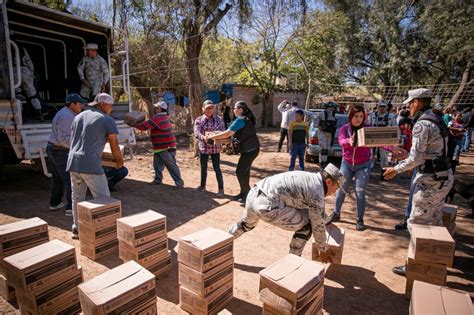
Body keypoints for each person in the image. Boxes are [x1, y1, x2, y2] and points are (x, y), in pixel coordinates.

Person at [383, 88, 454, 276]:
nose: (409, 107)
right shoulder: (437, 118)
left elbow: (416, 159)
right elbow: (428, 153)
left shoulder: (422, 124)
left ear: (417, 102)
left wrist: (395, 169)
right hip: (443, 176)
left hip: (430, 181)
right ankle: (437, 263)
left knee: (416, 222)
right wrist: (408, 156)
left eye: (410, 103)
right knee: (435, 220)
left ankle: (414, 266)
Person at [227, 164, 344, 258]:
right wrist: (322, 247)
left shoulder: (311, 179)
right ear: (328, 182)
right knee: (307, 226)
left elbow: (319, 211)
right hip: (268, 206)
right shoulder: (317, 192)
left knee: (245, 225)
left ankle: (219, 244)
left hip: (254, 194)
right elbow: (317, 222)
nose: (335, 192)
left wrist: (327, 221)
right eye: (336, 188)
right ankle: (293, 262)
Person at [66, 93, 124, 239]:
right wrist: (119, 161)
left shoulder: (79, 116)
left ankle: (77, 229)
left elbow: (75, 139)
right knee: (104, 199)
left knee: (77, 198)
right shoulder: (106, 120)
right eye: (110, 106)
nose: (111, 109)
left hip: (73, 162)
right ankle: (106, 232)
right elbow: (114, 144)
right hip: (91, 164)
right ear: (103, 105)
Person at [327, 105, 372, 231]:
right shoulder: (344, 129)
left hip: (363, 165)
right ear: (350, 116)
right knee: (340, 189)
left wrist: (392, 148)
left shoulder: (368, 129)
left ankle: (360, 219)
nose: (358, 119)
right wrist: (349, 141)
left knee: (360, 192)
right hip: (346, 164)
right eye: (356, 116)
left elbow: (378, 142)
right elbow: (341, 141)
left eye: (361, 116)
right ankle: (336, 213)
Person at [208, 101, 260, 204]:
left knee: (240, 171)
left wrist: (211, 137)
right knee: (244, 171)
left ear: (240, 109)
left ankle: (247, 194)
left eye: (235, 108)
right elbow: (232, 137)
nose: (233, 110)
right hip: (252, 149)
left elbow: (228, 133)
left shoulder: (240, 120)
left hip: (250, 150)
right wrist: (217, 140)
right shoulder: (245, 118)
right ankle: (244, 193)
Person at [47, 93, 87, 215]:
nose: (82, 106)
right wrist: (78, 147)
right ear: (72, 104)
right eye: (80, 103)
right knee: (70, 179)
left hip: (54, 149)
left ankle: (55, 203)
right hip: (60, 151)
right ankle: (70, 208)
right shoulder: (67, 116)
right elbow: (63, 139)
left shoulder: (65, 113)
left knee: (57, 178)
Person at [131, 101, 184, 188]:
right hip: (164, 146)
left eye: (156, 108)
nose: (155, 109)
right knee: (157, 165)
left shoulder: (157, 118)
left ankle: (179, 183)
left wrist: (133, 124)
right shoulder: (165, 117)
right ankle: (158, 180)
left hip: (164, 146)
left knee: (171, 165)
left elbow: (144, 126)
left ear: (160, 109)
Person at [194, 100, 225, 195]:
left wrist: (217, 136)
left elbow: (223, 131)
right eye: (207, 108)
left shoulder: (219, 119)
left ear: (214, 108)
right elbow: (197, 132)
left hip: (215, 148)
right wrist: (204, 138)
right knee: (204, 168)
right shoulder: (199, 120)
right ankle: (202, 186)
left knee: (217, 168)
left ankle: (221, 189)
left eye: (211, 107)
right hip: (203, 148)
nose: (209, 110)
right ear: (203, 109)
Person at [14, 44, 44, 121]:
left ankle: (21, 117)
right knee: (32, 95)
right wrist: (31, 73)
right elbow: (28, 61)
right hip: (24, 70)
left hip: (12, 71)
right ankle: (40, 114)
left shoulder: (5, 45)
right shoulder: (20, 47)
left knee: (18, 95)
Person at [369, 100, 397, 173]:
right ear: (378, 107)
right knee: (370, 155)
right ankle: (368, 172)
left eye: (383, 106)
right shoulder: (372, 115)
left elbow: (395, 128)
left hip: (385, 139)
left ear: (386, 107)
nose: (382, 108)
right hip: (372, 138)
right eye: (380, 106)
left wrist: (396, 140)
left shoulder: (391, 116)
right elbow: (368, 126)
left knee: (384, 156)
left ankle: (384, 173)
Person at [313, 102, 338, 168]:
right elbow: (315, 119)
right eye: (330, 107)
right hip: (322, 133)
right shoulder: (322, 113)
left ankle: (325, 162)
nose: (331, 109)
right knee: (323, 148)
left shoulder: (333, 115)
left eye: (332, 107)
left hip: (329, 134)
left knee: (327, 149)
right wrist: (318, 126)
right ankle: (321, 163)